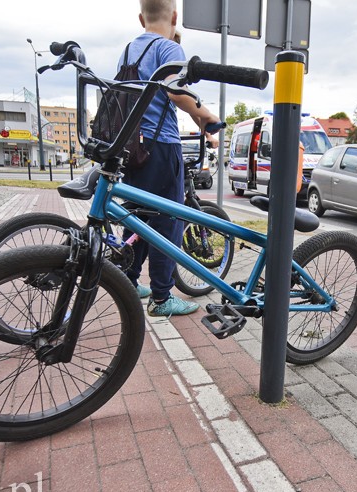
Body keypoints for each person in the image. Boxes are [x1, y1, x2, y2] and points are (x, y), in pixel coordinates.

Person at [121, 0, 221, 317]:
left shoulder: (128, 50)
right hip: (161, 146)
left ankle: (128, 280)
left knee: (137, 217)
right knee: (167, 222)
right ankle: (162, 298)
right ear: (175, 17)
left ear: (141, 18)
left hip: (133, 146)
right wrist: (208, 117)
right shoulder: (168, 48)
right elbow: (177, 92)